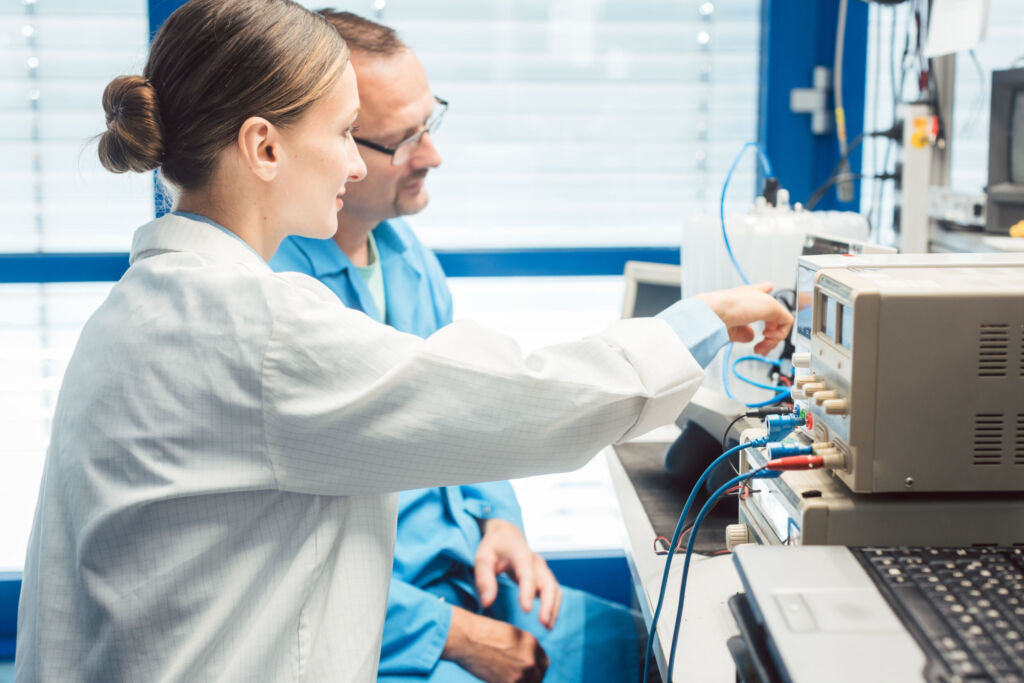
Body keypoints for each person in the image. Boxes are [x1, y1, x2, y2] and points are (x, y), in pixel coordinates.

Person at [15, 1, 792, 681]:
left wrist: (500, 521)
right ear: (264, 147)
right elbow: (512, 401)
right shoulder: (257, 328)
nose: (354, 164)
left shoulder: (144, 307)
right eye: (348, 133)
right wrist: (703, 323)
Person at [268, 12, 666, 683]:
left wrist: (498, 521)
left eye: (430, 124)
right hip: (383, 630)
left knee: (647, 649)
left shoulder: (406, 258)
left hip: (467, 581)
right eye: (402, 140)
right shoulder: (278, 299)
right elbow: (281, 567)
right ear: (323, 140)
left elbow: (468, 409)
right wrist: (452, 635)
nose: (431, 156)